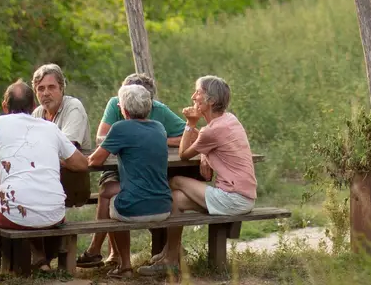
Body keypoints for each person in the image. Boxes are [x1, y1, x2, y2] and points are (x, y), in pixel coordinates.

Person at [0, 80, 88, 284]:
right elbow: (81, 163)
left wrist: (2, 158)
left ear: (5, 107)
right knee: (28, 191)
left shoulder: (0, 123)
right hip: (55, 214)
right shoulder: (50, 128)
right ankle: (41, 260)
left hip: (15, 215)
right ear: (34, 107)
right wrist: (49, 157)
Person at [78, 73, 185, 269]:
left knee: (113, 200)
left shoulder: (121, 128)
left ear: (124, 110)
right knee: (110, 191)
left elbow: (95, 160)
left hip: (134, 209)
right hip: (164, 207)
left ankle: (124, 264)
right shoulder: (160, 128)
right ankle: (113, 256)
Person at [159, 76, 256, 270]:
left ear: (211, 101)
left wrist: (190, 123)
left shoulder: (210, 131)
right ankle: (171, 256)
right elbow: (211, 142)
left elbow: (184, 153)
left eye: (198, 92)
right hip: (244, 196)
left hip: (233, 198)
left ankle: (169, 255)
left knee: (176, 180)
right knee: (175, 199)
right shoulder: (230, 120)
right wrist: (204, 153)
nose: (193, 96)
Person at [30, 63, 91, 148]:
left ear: (61, 88)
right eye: (41, 89)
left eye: (51, 87)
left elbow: (66, 150)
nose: (46, 93)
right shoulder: (37, 113)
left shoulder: (73, 107)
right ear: (35, 92)